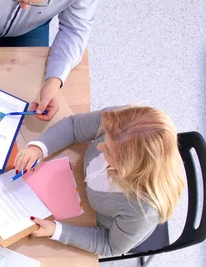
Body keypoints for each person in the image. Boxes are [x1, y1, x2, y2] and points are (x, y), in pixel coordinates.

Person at [14, 106, 186, 257]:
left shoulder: (142, 212)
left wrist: (57, 230)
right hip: (75, 185)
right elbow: (74, 126)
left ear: (129, 169)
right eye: (105, 138)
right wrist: (38, 148)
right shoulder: (125, 123)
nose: (98, 146)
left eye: (108, 152)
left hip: (93, 220)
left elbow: (110, 246)